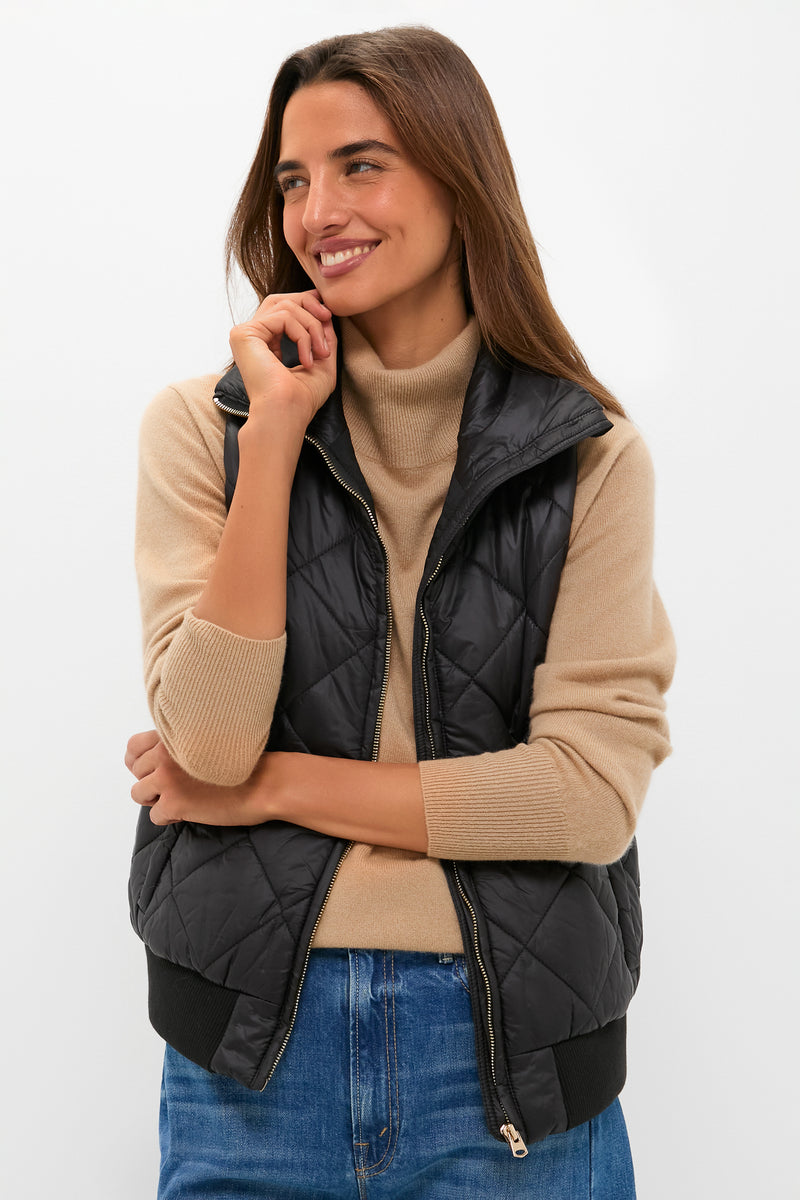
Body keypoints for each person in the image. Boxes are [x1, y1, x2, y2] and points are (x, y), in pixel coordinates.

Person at [126, 26, 675, 1199]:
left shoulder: (588, 458)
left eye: (359, 165)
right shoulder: (203, 430)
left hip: (503, 1054)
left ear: (456, 173)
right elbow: (207, 739)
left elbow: (585, 795)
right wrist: (271, 437)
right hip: (250, 1058)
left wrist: (268, 790)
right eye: (291, 179)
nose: (317, 208)